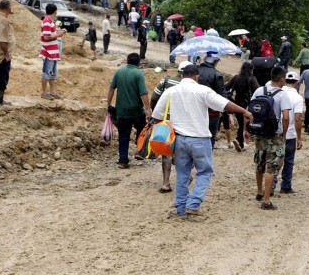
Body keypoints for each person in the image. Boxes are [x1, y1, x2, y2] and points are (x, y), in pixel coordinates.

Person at [152, 64, 253, 218]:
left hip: (178, 139)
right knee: (205, 172)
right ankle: (193, 203)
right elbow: (225, 104)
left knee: (182, 174)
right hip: (199, 139)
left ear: (182, 75)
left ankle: (180, 209)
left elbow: (157, 115)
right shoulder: (202, 90)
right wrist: (244, 111)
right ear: (196, 76)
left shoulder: (170, 92)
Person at [244, 66, 291, 210]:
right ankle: (266, 200)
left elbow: (248, 111)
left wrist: (246, 129)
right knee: (271, 168)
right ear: (282, 78)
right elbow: (286, 117)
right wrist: (283, 134)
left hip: (258, 132)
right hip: (274, 135)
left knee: (259, 163)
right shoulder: (282, 95)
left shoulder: (259, 91)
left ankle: (259, 192)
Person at [150, 61, 192, 192]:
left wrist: (155, 115)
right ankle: (185, 177)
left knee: (166, 152)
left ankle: (166, 183)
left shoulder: (166, 81)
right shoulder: (193, 87)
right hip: (183, 123)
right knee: (182, 152)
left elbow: (154, 97)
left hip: (167, 123)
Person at [107, 53, 152, 169]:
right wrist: (148, 108)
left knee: (123, 135)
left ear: (127, 61)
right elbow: (143, 93)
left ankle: (123, 160)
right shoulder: (138, 73)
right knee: (142, 129)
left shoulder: (119, 72)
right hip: (136, 110)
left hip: (121, 111)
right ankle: (140, 150)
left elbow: (111, 89)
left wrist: (108, 104)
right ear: (138, 63)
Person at [272, 71, 303, 194]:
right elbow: (297, 118)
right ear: (297, 83)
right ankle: (286, 186)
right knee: (289, 161)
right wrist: (299, 137)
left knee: (274, 160)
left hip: (275, 132)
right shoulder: (298, 98)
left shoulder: (277, 93)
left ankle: (271, 186)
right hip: (290, 134)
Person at [225, 62, 260, 152]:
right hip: (248, 105)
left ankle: (240, 143)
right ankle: (239, 139)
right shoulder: (252, 79)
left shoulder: (236, 77)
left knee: (241, 123)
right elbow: (258, 90)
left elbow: (226, 87)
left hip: (236, 104)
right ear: (250, 70)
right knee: (246, 124)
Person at [197, 54, 227, 149]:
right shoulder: (217, 74)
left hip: (195, 109)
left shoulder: (195, 71)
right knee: (210, 136)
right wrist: (224, 110)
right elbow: (222, 94)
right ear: (215, 61)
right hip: (212, 112)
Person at [40, 3, 67, 100]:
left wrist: (59, 32)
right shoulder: (47, 22)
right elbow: (46, 37)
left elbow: (50, 34)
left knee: (52, 73)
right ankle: (44, 93)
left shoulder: (51, 22)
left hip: (53, 52)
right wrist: (58, 35)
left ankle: (52, 92)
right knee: (47, 72)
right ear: (55, 11)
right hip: (48, 52)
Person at [0, 0, 15, 107]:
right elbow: (2, 41)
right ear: (9, 8)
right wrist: (6, 54)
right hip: (1, 56)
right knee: (2, 79)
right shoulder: (4, 21)